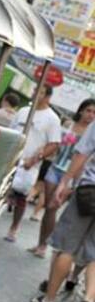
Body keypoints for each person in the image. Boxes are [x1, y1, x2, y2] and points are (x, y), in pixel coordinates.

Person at [31, 120, 95, 302]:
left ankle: (48, 301)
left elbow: (81, 154)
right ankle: (88, 300)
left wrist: (64, 182)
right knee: (94, 252)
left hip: (90, 190)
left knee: (66, 248)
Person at [28, 99, 95, 257]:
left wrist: (72, 181)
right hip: (56, 168)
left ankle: (49, 246)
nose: (90, 115)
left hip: (76, 175)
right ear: (81, 111)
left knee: (53, 207)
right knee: (49, 208)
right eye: (88, 111)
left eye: (94, 112)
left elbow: (84, 157)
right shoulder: (68, 126)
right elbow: (55, 144)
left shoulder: (92, 131)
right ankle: (41, 243)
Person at [5, 85, 62, 242]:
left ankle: (14, 227)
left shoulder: (52, 118)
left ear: (47, 97)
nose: (36, 94)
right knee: (1, 190)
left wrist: (36, 158)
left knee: (21, 196)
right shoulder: (23, 111)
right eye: (35, 91)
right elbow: (10, 132)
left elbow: (54, 144)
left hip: (29, 163)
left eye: (41, 92)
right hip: (11, 158)